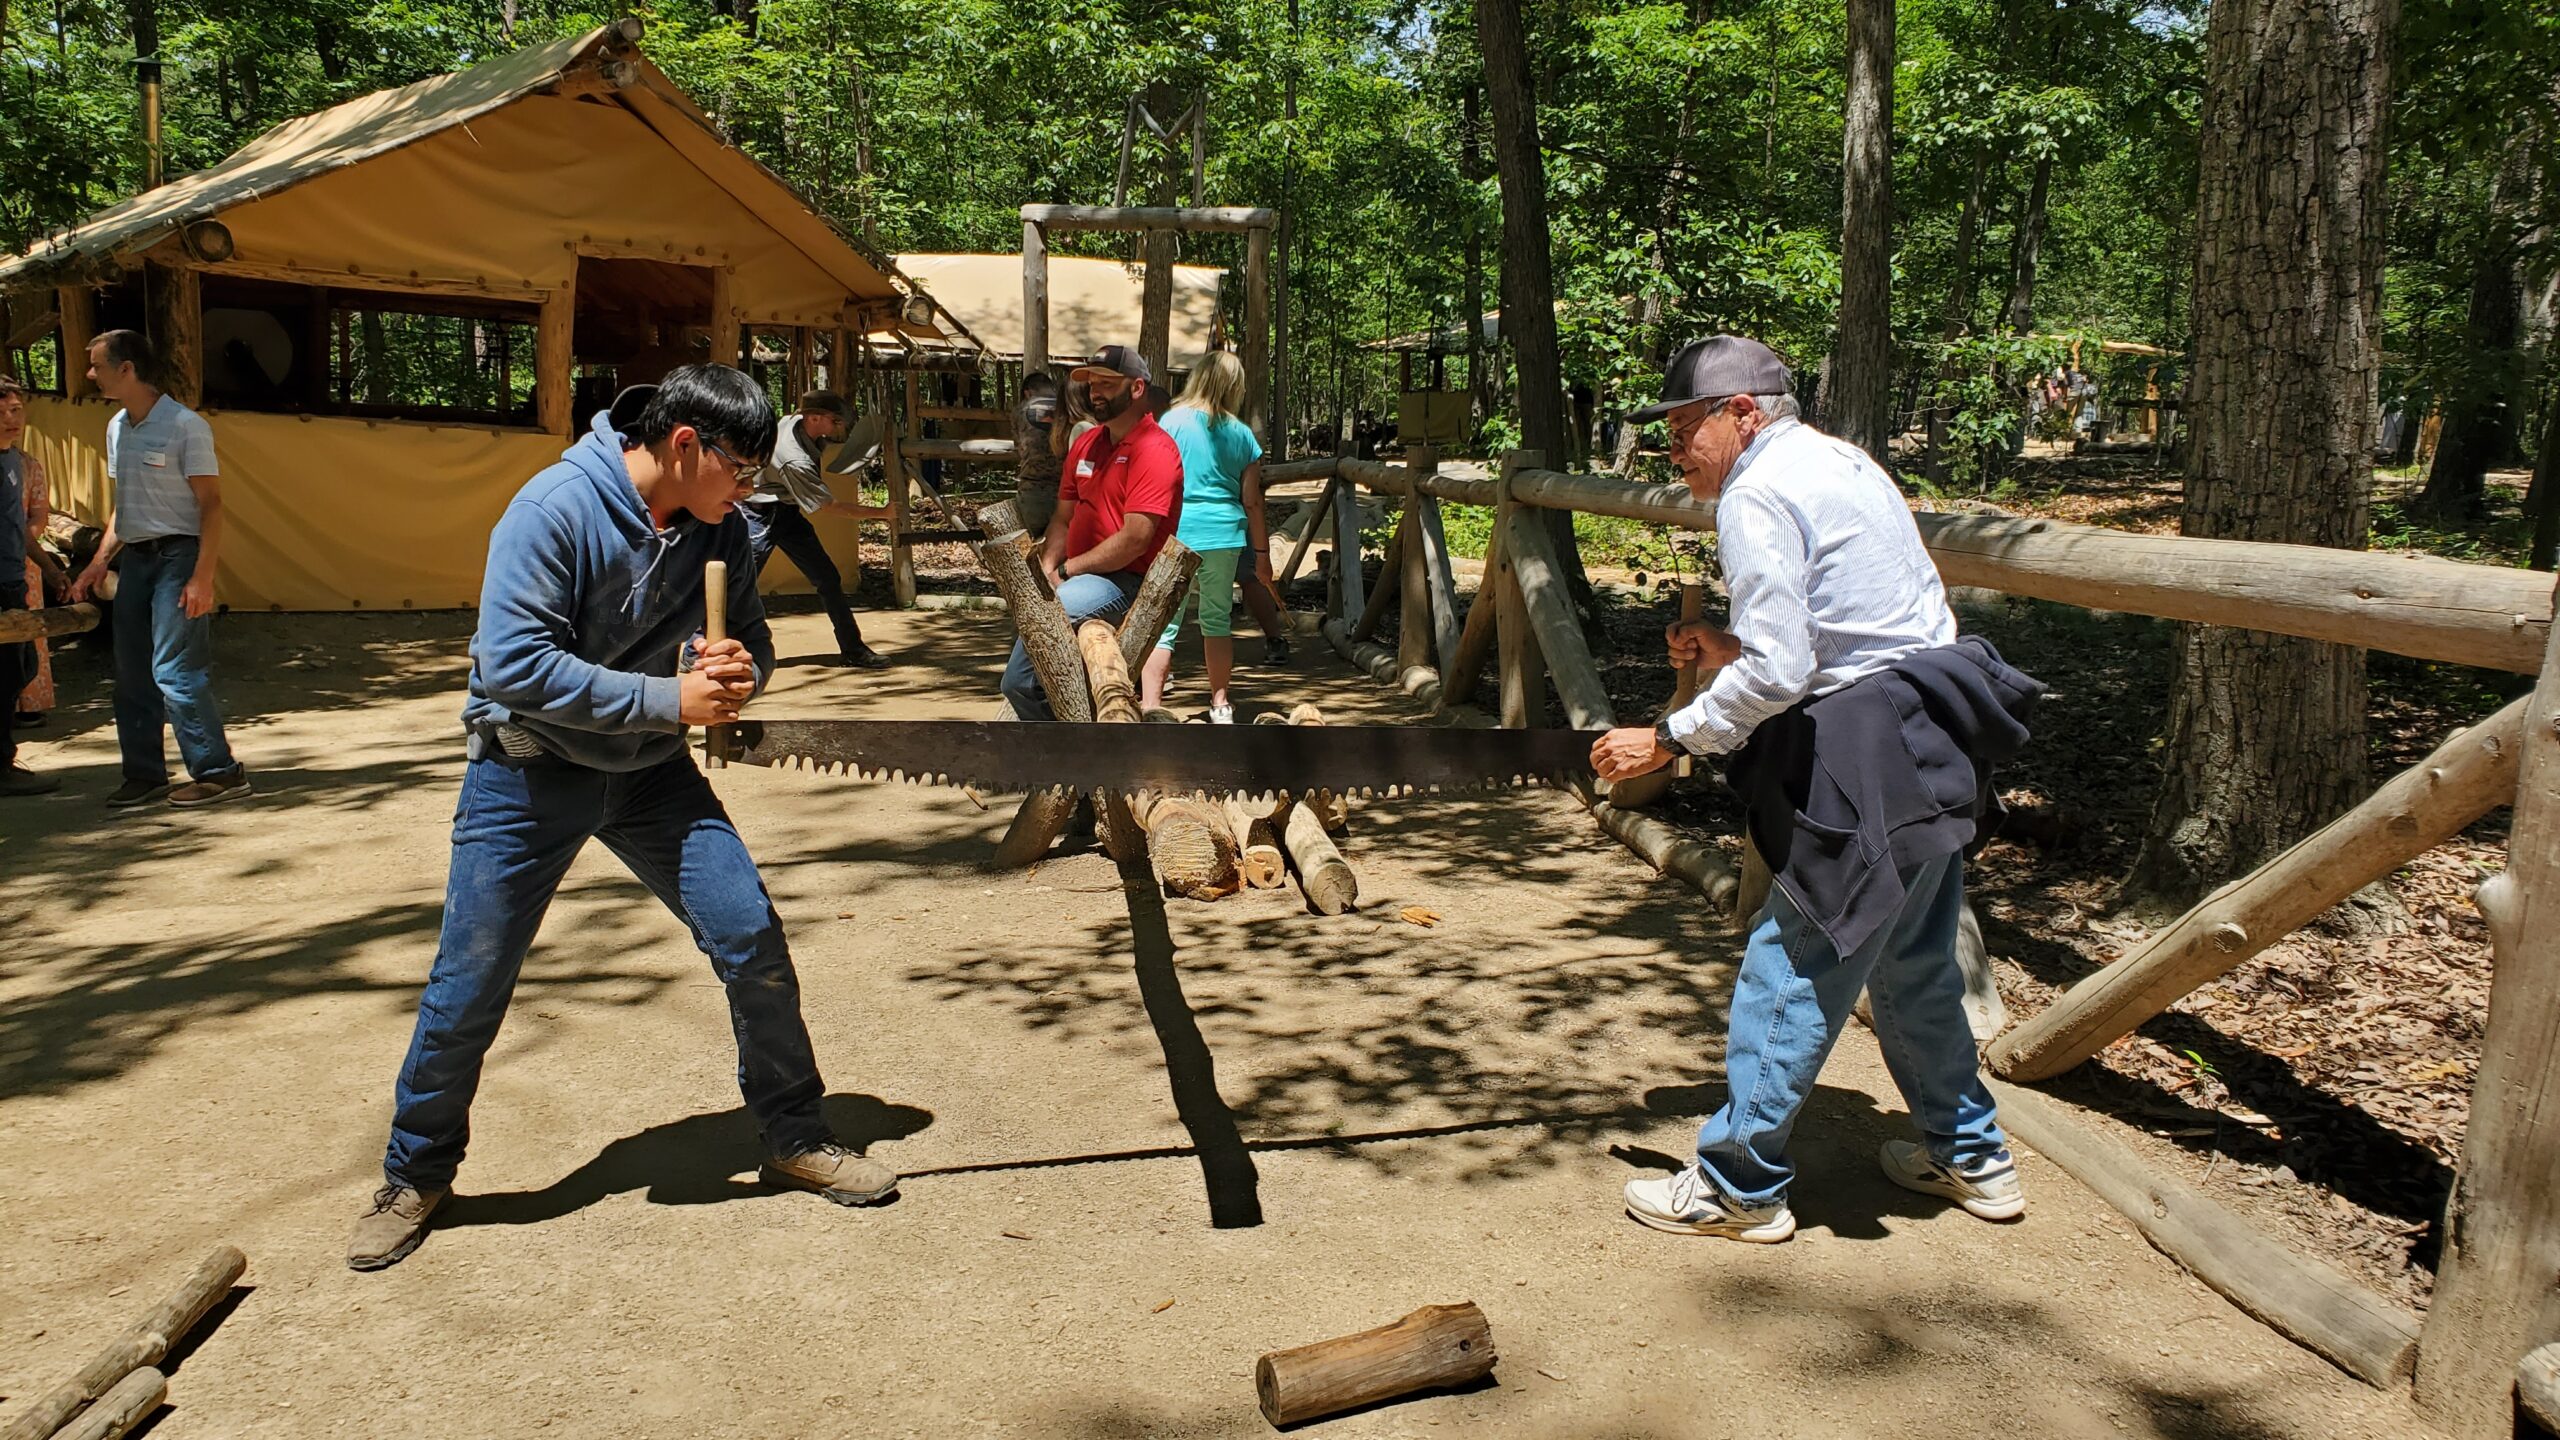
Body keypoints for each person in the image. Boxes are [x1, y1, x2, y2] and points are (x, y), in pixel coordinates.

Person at [349, 365, 896, 1272]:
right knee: (472, 979)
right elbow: (513, 665)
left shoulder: (721, 527)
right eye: (740, 471)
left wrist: (739, 674)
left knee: (750, 937)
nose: (747, 490)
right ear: (684, 445)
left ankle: (795, 1133)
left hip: (648, 775)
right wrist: (669, 698)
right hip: (528, 773)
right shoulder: (553, 509)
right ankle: (416, 1173)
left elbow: (754, 642)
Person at [1591, 335, 2043, 1245]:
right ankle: (1972, 1155)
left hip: (1864, 759)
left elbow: (1782, 670)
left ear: (1743, 412)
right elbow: (1866, 624)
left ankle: (1738, 1186)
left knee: (1792, 963)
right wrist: (1734, 650)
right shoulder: (1843, 462)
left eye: (1684, 429)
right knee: (1914, 962)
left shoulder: (1756, 492)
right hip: (1928, 741)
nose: (1674, 451)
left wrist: (1668, 738)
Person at [65, 330, 249, 808]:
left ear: (127, 369)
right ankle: (144, 775)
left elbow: (211, 505)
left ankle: (219, 772)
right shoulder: (116, 427)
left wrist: (202, 577)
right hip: (136, 560)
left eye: (97, 365)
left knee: (175, 669)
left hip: (178, 557)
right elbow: (124, 508)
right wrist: (98, 563)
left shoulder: (186, 426)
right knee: (130, 672)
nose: (90, 374)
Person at [999, 345, 1180, 721]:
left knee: (1022, 678)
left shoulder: (1155, 449)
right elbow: (1062, 518)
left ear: (1136, 388)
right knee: (1037, 619)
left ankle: (1060, 746)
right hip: (1081, 577)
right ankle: (1064, 744)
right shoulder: (1086, 442)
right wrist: (1047, 568)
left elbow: (1135, 539)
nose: (1095, 392)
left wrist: (1068, 570)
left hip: (1125, 581)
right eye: (1092, 384)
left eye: (1107, 384)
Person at [1140, 352, 1269, 722]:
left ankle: (1151, 706)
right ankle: (1220, 704)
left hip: (1177, 533)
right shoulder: (1242, 435)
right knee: (1217, 620)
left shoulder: (1170, 422)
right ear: (1235, 387)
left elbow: (1157, 479)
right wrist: (1262, 555)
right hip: (1224, 535)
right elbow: (1252, 501)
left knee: (1164, 623)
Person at [738, 389, 892, 669]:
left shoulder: (793, 423)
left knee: (827, 577)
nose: (839, 427)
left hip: (785, 512)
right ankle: (695, 649)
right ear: (814, 418)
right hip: (759, 514)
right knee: (738, 583)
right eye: (835, 421)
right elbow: (829, 506)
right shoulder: (793, 458)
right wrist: (881, 513)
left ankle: (853, 650)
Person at [0, 380, 54, 795]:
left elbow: (22, 527)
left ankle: (4, 759)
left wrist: (51, 570)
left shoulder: (17, 462)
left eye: (16, 410)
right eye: (1, 412)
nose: (10, 419)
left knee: (19, 669)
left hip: (13, 580)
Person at [1013, 370, 1068, 536]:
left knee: (1032, 544)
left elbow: (1020, 448)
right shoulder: (1068, 407)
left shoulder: (1020, 409)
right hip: (1065, 491)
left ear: (1027, 392)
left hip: (1032, 489)